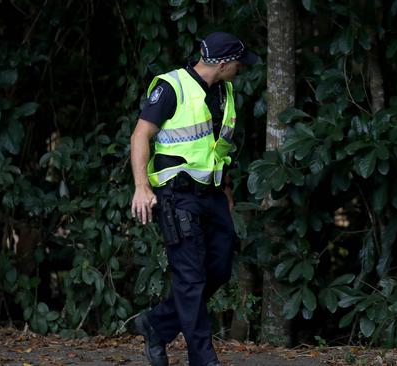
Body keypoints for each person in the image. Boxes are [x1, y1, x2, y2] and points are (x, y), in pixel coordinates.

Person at [129, 32, 257, 366]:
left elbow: (218, 146)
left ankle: (157, 324)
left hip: (212, 194)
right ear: (224, 63)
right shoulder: (172, 87)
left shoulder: (224, 91)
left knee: (219, 268)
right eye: (239, 63)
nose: (241, 69)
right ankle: (203, 360)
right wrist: (142, 186)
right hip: (176, 194)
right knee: (190, 278)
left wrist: (226, 189)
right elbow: (140, 135)